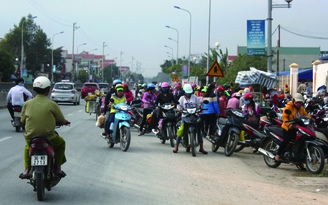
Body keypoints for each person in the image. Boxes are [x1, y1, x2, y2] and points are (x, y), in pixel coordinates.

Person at [19, 76, 69, 179]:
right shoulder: (52, 104)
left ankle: (26, 169)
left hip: (31, 138)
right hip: (49, 137)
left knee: (27, 148)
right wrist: (64, 122)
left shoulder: (27, 104)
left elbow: (22, 120)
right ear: (47, 90)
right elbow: (61, 119)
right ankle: (58, 168)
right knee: (61, 144)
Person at [275, 93, 311, 164]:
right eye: (297, 102)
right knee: (286, 140)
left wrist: (311, 119)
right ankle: (278, 155)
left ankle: (299, 160)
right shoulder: (289, 107)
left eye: (300, 102)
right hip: (288, 127)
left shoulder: (301, 108)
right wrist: (289, 124)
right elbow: (284, 117)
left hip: (298, 127)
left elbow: (306, 115)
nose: (298, 104)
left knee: (300, 141)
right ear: (294, 100)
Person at [173, 84, 207, 154]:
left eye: (189, 93)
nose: (188, 94)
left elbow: (198, 105)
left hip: (194, 115)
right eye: (187, 92)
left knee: (199, 131)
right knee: (181, 130)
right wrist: (179, 109)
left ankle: (201, 147)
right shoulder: (182, 98)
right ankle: (176, 147)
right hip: (185, 116)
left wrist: (200, 108)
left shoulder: (194, 97)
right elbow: (179, 105)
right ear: (184, 92)